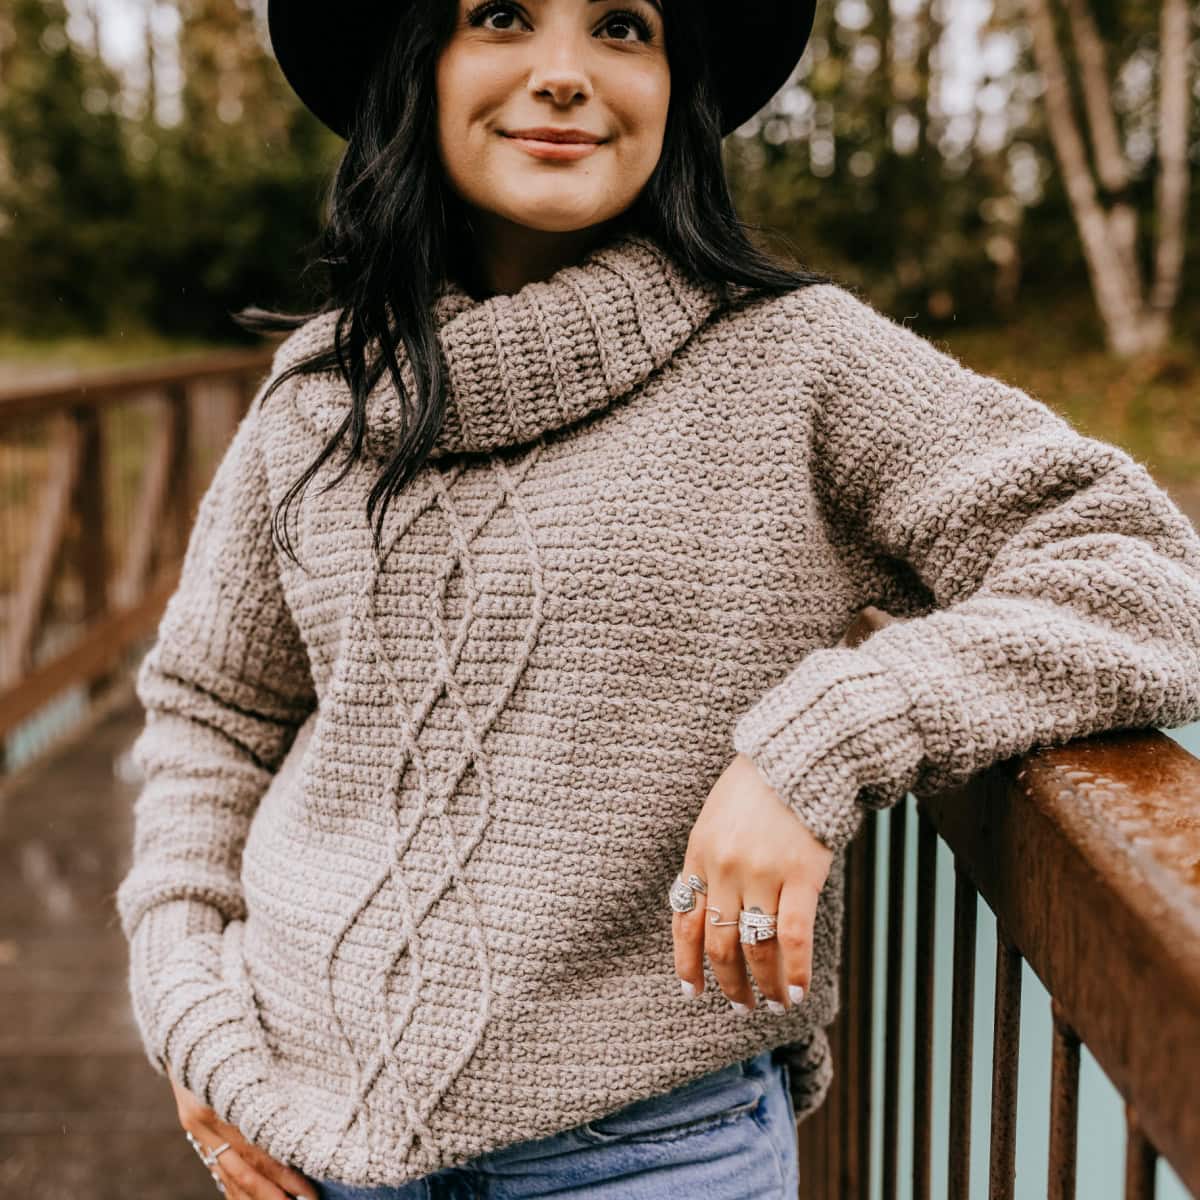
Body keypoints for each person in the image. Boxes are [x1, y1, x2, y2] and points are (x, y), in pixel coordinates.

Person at [114, 0, 1200, 1197]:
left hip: (645, 1151)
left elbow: (1138, 571)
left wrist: (824, 741)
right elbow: (211, 716)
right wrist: (185, 997)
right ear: (417, 67)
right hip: (290, 1122)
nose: (565, 75)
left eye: (623, 25)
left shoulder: (799, 364)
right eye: (504, 18)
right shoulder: (317, 395)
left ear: (678, 83)